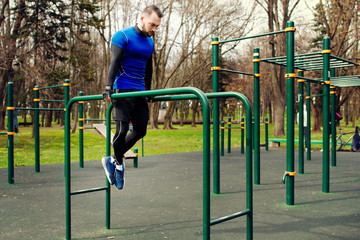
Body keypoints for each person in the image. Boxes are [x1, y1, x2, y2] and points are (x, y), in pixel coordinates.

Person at [101, 5, 163, 190]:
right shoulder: (123, 36)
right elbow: (115, 62)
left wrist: (149, 91)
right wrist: (108, 87)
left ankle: (112, 159)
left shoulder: (150, 42)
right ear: (142, 18)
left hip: (140, 91)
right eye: (152, 24)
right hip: (123, 89)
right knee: (121, 132)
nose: (154, 29)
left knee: (141, 130)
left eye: (157, 26)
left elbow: (149, 69)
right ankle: (119, 165)